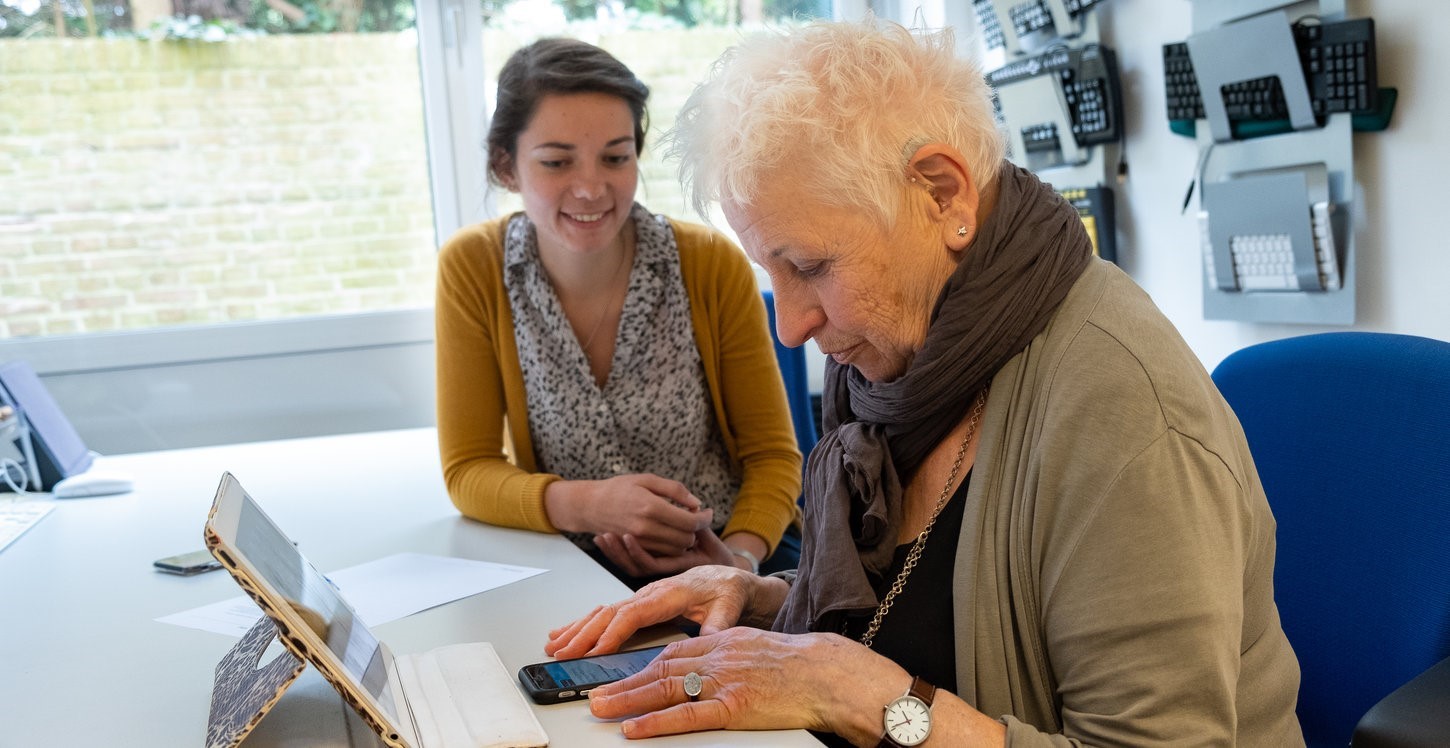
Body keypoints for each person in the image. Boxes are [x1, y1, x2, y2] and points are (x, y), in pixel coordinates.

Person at [543, 19, 1305, 747]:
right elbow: (907, 609)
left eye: (809, 267)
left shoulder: (1123, 409)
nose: (791, 324)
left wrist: (865, 697)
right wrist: (767, 603)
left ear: (943, 194)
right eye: (771, 271)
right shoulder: (901, 365)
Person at [434, 38, 803, 588]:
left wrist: (736, 566)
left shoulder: (708, 263)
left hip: (731, 557)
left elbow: (774, 457)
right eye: (557, 162)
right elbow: (467, 471)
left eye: (615, 157)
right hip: (571, 572)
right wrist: (588, 505)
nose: (590, 188)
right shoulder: (475, 267)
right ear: (506, 166)